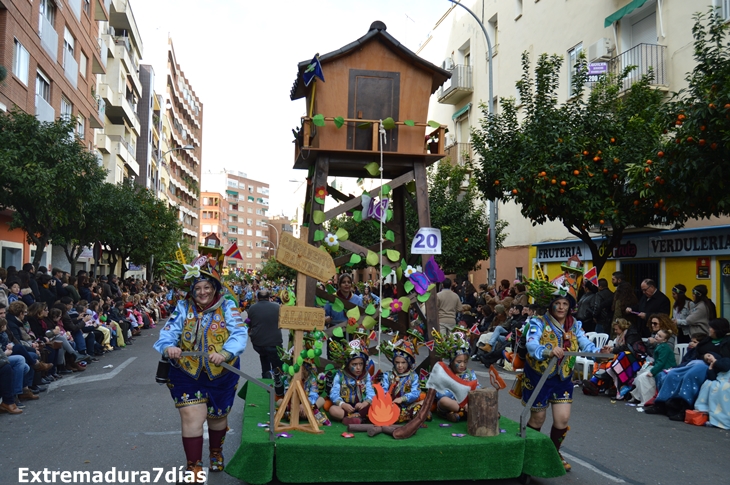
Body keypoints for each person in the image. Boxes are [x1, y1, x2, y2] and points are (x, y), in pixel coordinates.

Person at [154, 256, 248, 479]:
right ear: (192, 290)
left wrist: (225, 353)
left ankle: (216, 452)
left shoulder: (228, 306)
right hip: (187, 371)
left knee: (217, 417)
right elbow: (168, 332)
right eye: (198, 288)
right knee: (191, 417)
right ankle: (193, 466)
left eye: (207, 287)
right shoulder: (183, 307)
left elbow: (239, 333)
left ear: (214, 287)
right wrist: (169, 346)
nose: (203, 292)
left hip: (222, 372)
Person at [522, 287, 605, 472]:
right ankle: (530, 451)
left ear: (570, 306)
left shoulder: (574, 324)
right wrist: (546, 351)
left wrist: (598, 353)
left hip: (563, 377)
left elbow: (584, 342)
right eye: (557, 303)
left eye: (565, 304)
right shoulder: (538, 322)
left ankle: (553, 452)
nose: (561, 307)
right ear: (551, 304)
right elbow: (531, 343)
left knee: (563, 419)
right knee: (538, 418)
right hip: (539, 376)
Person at [645, 318, 730, 421]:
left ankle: (683, 408)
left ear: (717, 329)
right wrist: (704, 357)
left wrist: (713, 359)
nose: (709, 329)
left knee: (690, 375)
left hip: (711, 367)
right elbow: (697, 353)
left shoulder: (727, 342)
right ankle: (661, 404)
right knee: (672, 374)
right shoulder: (707, 340)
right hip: (697, 362)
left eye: (711, 328)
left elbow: (726, 361)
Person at [583, 318, 645, 399]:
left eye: (616, 329)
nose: (615, 331)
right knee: (604, 360)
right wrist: (610, 348)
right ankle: (594, 381)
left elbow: (627, 348)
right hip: (623, 358)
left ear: (622, 327)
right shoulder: (620, 336)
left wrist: (612, 350)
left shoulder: (631, 334)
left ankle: (600, 379)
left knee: (619, 359)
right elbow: (619, 347)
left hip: (634, 359)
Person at [428, 328, 480, 422]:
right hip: (452, 403)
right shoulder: (444, 373)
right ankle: (467, 413)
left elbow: (477, 386)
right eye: (459, 362)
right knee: (444, 401)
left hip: (467, 402)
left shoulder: (469, 373)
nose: (462, 365)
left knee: (481, 398)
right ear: (452, 361)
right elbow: (439, 393)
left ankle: (460, 414)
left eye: (465, 362)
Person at [327, 339, 374, 425]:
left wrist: (365, 403)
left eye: (361, 364)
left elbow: (370, 392)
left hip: (361, 406)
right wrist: (342, 404)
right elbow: (334, 393)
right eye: (354, 364)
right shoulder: (340, 375)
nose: (358, 367)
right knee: (333, 410)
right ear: (348, 364)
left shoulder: (366, 375)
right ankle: (355, 418)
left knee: (374, 406)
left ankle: (354, 417)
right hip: (346, 406)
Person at [629, 329, 676, 405]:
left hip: (665, 369)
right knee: (639, 374)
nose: (657, 336)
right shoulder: (660, 346)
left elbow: (661, 362)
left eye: (660, 336)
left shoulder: (664, 348)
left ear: (665, 340)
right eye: (657, 334)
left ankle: (646, 399)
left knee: (642, 378)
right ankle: (638, 397)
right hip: (660, 368)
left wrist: (652, 371)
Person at [380, 339, 423, 422]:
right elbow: (383, 391)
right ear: (394, 362)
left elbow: (415, 393)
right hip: (390, 406)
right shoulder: (388, 375)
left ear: (409, 363)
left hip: (407, 406)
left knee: (425, 402)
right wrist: (388, 399)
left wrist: (402, 399)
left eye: (403, 362)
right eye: (397, 362)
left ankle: (407, 415)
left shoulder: (413, 376)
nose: (400, 365)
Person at [247, 288, 282, 379]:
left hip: (258, 344)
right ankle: (275, 378)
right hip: (274, 343)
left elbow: (249, 323)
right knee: (278, 365)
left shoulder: (252, 308)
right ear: (269, 298)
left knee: (264, 358)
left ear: (258, 298)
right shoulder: (277, 307)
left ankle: (266, 378)